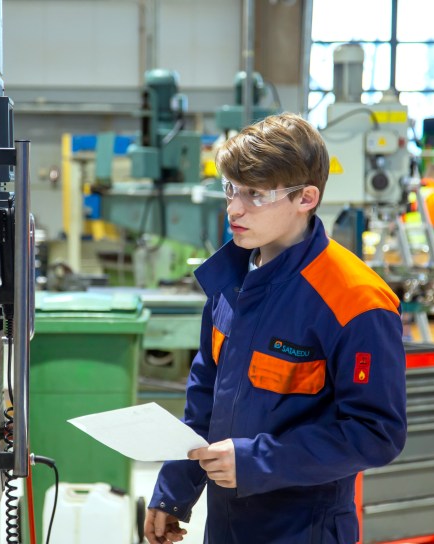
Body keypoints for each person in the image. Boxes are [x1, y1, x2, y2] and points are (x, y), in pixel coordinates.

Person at [144, 112, 407, 544]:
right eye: (230, 189)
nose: (234, 208)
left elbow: (376, 433)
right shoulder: (231, 280)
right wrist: (174, 489)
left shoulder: (355, 301)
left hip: (303, 529)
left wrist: (257, 461)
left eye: (255, 194)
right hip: (225, 525)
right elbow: (205, 398)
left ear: (306, 198)